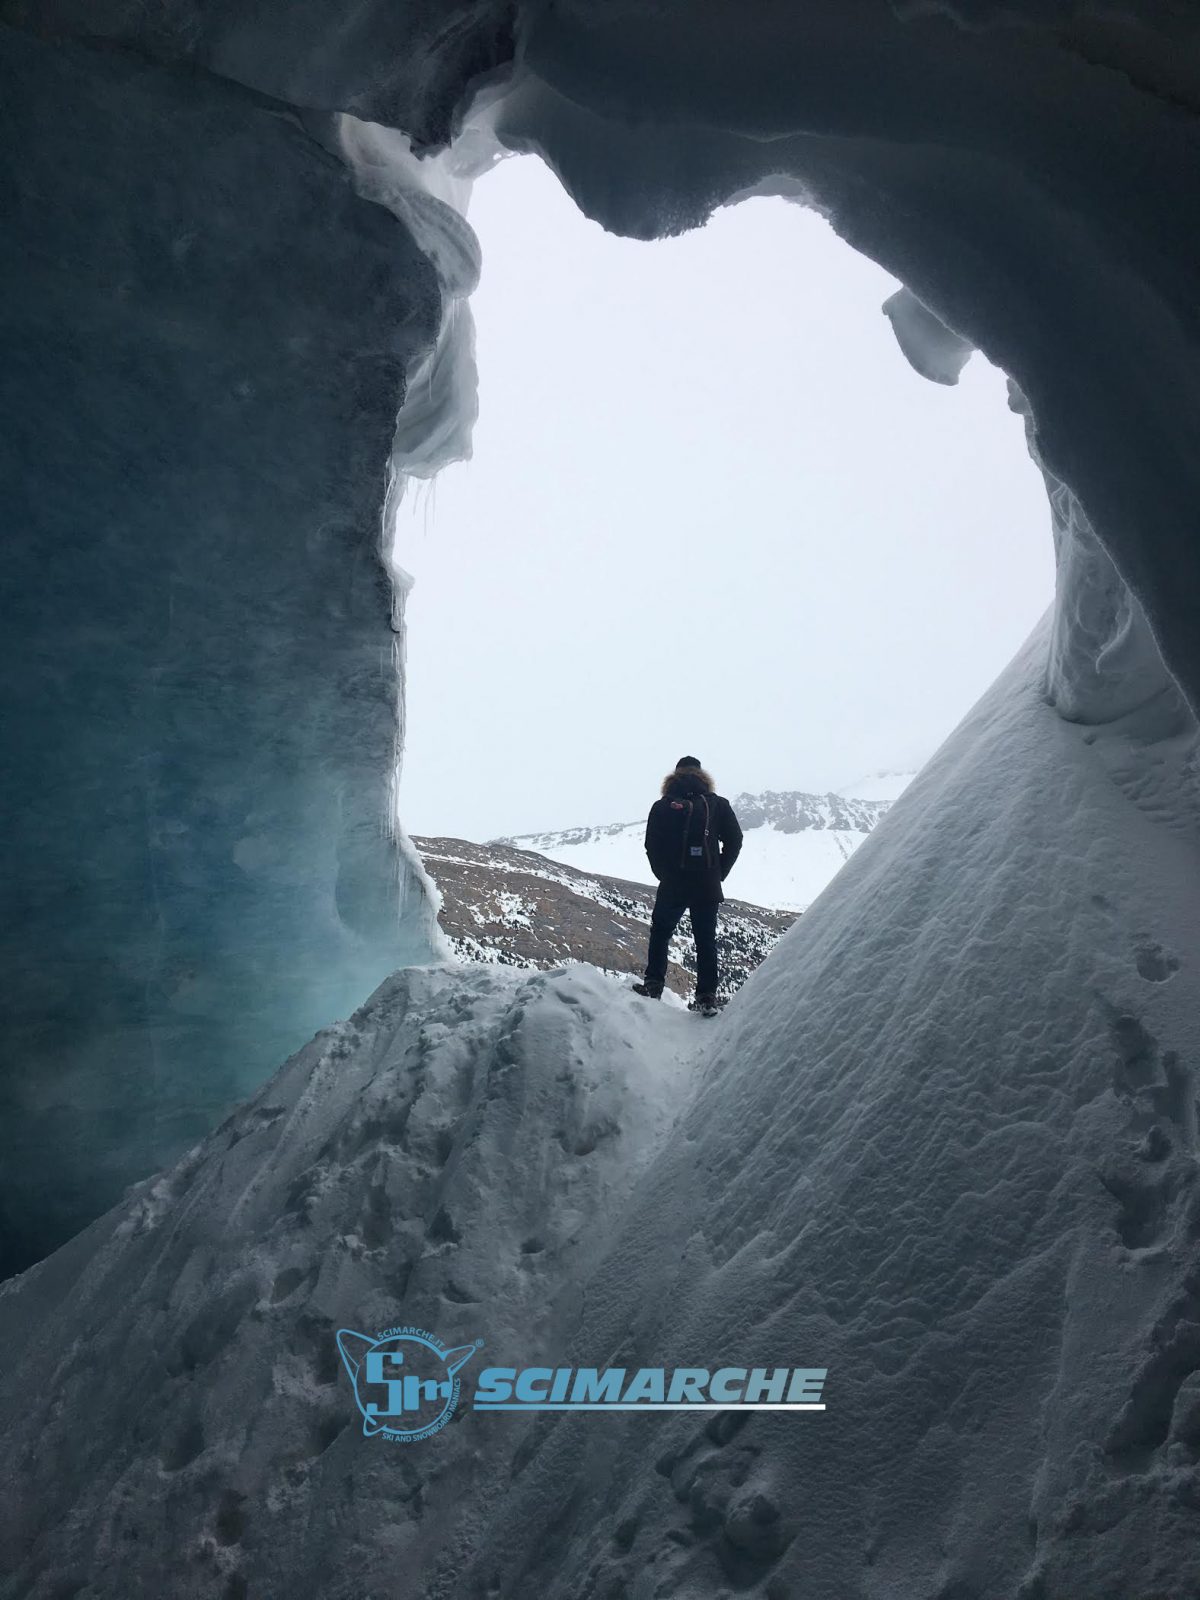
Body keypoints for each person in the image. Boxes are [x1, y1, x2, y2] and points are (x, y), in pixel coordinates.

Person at [633, 757, 743, 1015]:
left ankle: (653, 985)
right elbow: (735, 840)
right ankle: (706, 996)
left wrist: (663, 874)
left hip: (673, 882)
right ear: (702, 774)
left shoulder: (663, 806)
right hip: (706, 883)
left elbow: (652, 845)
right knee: (705, 941)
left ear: (675, 774)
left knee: (661, 933)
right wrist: (718, 873)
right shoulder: (717, 804)